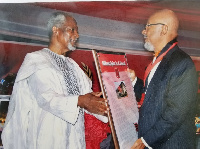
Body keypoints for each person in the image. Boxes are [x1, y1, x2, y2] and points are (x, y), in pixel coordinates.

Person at [1, 12, 108, 149]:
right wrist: (81, 100)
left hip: (75, 139)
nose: (77, 35)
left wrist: (103, 106)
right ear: (55, 30)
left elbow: (86, 95)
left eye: (77, 31)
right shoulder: (36, 60)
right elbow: (47, 98)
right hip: (47, 138)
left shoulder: (72, 65)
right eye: (72, 30)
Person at [130, 9, 198, 149]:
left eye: (148, 26)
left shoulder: (182, 63)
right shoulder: (159, 60)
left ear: (163, 29)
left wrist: (146, 141)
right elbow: (150, 97)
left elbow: (175, 113)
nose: (144, 31)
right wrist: (133, 81)